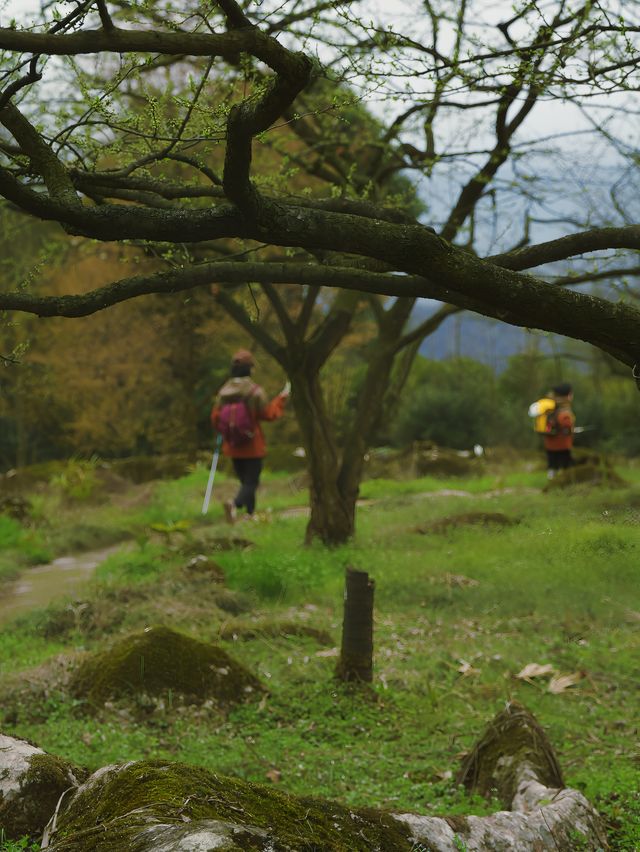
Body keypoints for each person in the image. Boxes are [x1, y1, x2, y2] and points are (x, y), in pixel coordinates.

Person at [211, 349, 289, 522]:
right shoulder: (254, 392)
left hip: (232, 445)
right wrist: (281, 399)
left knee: (245, 482)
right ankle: (235, 503)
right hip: (252, 444)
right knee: (251, 482)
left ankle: (250, 514)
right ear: (250, 369)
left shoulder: (223, 392)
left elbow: (215, 418)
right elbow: (268, 414)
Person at [544, 382, 575, 479]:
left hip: (550, 444)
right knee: (565, 465)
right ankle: (563, 482)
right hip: (563, 444)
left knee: (552, 465)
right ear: (569, 395)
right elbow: (566, 425)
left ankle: (552, 480)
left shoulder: (550, 408)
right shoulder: (564, 412)